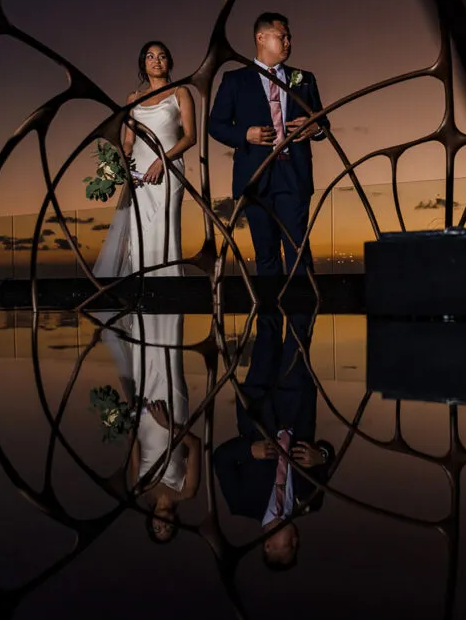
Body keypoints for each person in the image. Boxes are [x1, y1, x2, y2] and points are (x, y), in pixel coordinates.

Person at [209, 12, 330, 276]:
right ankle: (269, 314)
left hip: (293, 173)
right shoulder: (235, 80)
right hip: (255, 175)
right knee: (265, 254)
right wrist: (245, 134)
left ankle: (302, 314)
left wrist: (315, 128)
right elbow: (215, 125)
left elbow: (324, 125)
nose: (288, 43)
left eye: (289, 38)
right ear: (260, 38)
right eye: (282, 37)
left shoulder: (304, 78)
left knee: (298, 250)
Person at [212, 312, 334, 570]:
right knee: (298, 334)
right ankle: (299, 274)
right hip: (297, 406)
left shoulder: (240, 503)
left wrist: (249, 450)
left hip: (258, 406)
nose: (296, 540)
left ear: (267, 545)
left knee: (267, 332)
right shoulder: (311, 502)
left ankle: (269, 273)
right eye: (296, 545)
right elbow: (328, 454)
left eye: (288, 546)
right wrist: (320, 456)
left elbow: (220, 459)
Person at [93, 41, 197, 278]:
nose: (156, 61)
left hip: (169, 169)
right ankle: (141, 290)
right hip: (138, 173)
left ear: (169, 61)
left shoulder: (180, 92)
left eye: (161, 56)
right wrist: (118, 160)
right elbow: (128, 140)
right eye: (150, 56)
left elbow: (190, 137)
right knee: (138, 230)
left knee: (165, 229)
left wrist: (162, 159)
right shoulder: (133, 97)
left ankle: (169, 292)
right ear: (143, 63)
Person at [101, 313, 201, 543]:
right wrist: (168, 424)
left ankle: (141, 301)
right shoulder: (187, 491)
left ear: (151, 523)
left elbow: (133, 443)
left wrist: (129, 416)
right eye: (168, 530)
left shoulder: (139, 489)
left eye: (157, 530)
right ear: (176, 524)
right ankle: (170, 287)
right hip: (172, 413)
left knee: (142, 355)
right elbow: (194, 445)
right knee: (170, 354)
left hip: (146, 414)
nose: (162, 526)